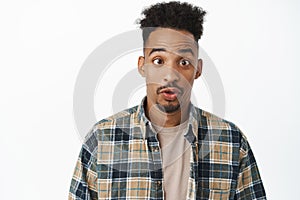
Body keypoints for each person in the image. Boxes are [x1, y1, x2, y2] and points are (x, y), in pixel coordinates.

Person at [69, 1, 266, 199]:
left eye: (183, 62)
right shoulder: (101, 139)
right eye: (158, 61)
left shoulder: (231, 141)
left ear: (198, 69)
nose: (171, 75)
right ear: (142, 65)